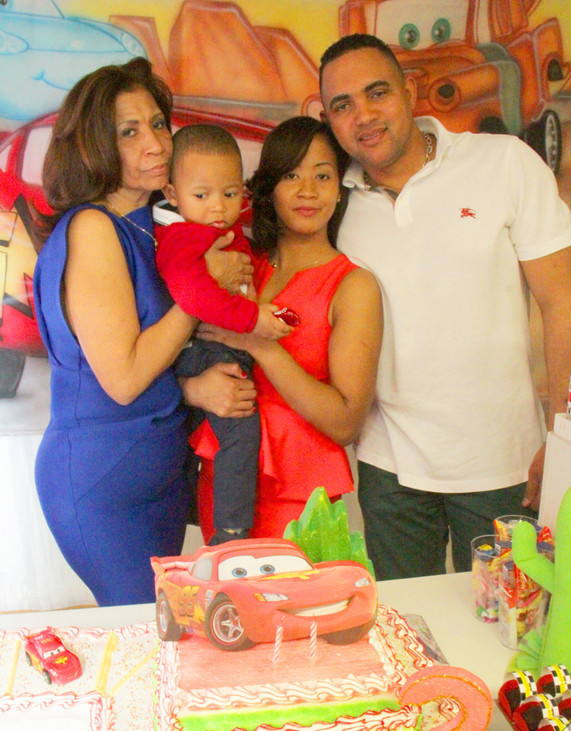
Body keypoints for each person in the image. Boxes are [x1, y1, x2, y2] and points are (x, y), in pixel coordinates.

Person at [318, 34, 571, 579]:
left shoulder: (503, 162)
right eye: (342, 105)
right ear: (328, 119)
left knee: (502, 621)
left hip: (504, 463)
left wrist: (563, 439)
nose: (363, 116)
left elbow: (562, 301)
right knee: (406, 619)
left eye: (377, 93)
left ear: (409, 90)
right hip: (388, 468)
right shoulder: (329, 201)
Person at [32, 58, 254, 606]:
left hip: (158, 480)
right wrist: (204, 288)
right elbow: (125, 378)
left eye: (158, 124)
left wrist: (192, 388)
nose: (155, 144)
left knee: (167, 635)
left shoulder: (152, 226)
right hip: (106, 486)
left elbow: (157, 360)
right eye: (129, 132)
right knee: (143, 635)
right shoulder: (93, 227)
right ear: (92, 147)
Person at [197, 116, 383, 539]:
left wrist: (260, 346)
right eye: (291, 175)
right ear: (269, 188)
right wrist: (194, 389)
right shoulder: (241, 264)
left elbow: (345, 422)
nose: (308, 191)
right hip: (223, 482)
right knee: (223, 583)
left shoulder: (353, 285)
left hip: (300, 495)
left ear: (340, 189)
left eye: (323, 175)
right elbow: (192, 349)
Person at [153, 124, 292, 544]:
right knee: (240, 432)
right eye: (202, 195)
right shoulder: (182, 236)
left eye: (230, 194)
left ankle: (202, 513)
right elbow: (193, 296)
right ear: (172, 193)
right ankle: (230, 533)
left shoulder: (216, 231)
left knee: (201, 437)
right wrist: (253, 319)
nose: (218, 206)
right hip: (202, 350)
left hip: (217, 346)